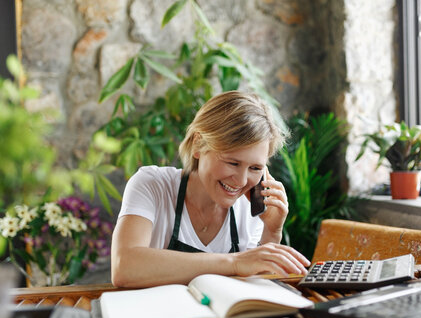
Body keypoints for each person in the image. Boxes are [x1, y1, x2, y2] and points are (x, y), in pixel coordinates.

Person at [111, 91, 310, 287]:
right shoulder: (152, 185)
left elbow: (254, 295)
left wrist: (272, 232)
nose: (241, 181)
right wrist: (235, 262)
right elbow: (124, 267)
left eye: (255, 168)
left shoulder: (251, 211)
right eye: (232, 163)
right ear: (198, 144)